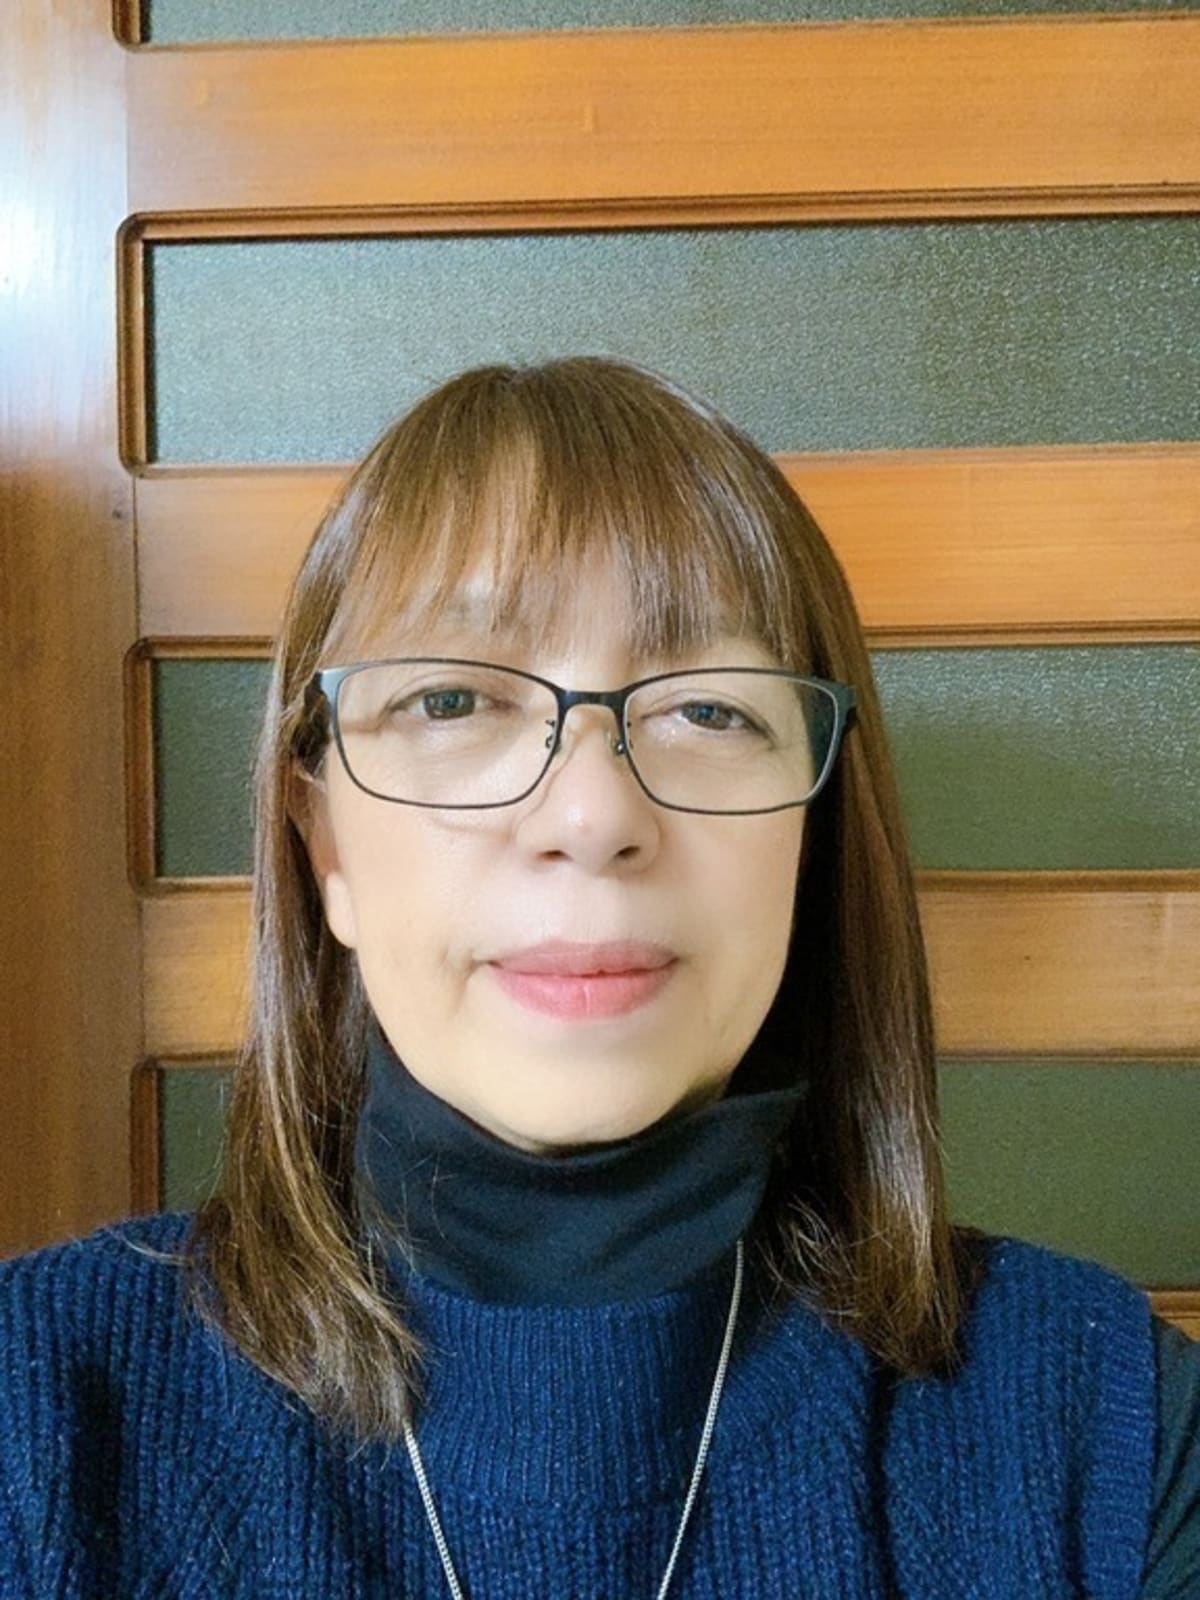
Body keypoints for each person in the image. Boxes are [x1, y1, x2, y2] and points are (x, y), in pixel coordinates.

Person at [1, 357, 1196, 1597]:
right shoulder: (38, 1422)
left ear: (812, 838)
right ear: (326, 851)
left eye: (710, 711)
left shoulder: (1105, 1426)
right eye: (452, 698)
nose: (591, 813)